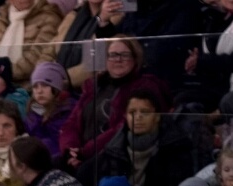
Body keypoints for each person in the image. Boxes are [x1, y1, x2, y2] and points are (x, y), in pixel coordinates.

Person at [59, 35, 167, 169]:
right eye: (113, 55)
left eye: (125, 55)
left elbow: (122, 128)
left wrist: (84, 152)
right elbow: (71, 124)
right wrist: (70, 150)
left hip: (116, 154)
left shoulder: (144, 87)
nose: (118, 60)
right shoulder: (93, 86)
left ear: (135, 58)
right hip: (81, 154)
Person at [96, 91, 198, 186]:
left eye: (145, 112)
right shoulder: (114, 148)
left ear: (157, 117)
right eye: (132, 112)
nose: (138, 117)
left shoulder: (176, 147)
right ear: (126, 116)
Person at [0, 0, 64, 85]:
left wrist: (1, 75)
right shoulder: (3, 17)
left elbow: (37, 58)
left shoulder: (49, 17)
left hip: (27, 85)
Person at [24, 60, 75, 157]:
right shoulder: (33, 111)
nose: (39, 91)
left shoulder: (67, 111)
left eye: (45, 85)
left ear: (56, 87)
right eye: (35, 86)